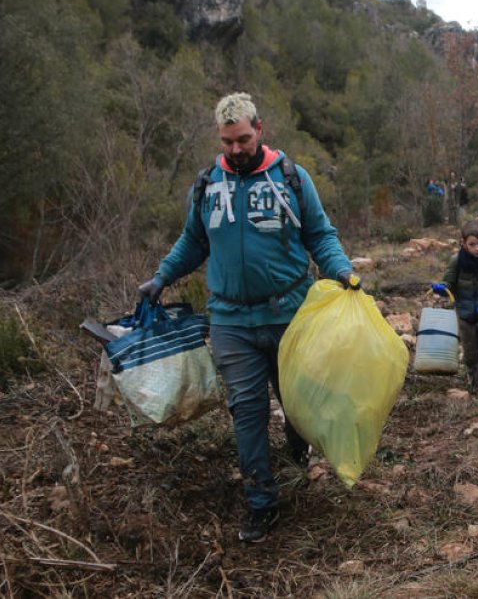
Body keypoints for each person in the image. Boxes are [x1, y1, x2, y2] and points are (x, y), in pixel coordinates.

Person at [137, 92, 357, 544]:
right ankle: (261, 502)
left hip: (288, 315)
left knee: (296, 402)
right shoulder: (207, 184)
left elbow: (320, 235)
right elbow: (193, 242)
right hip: (231, 321)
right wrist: (161, 278)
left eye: (242, 139)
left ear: (259, 129)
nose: (235, 149)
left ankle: (298, 454)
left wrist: (342, 270)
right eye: (227, 142)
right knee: (247, 411)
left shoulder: (292, 178)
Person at [431, 219, 478, 393]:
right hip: (465, 312)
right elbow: (449, 284)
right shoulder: (456, 261)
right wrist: (442, 288)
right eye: (472, 244)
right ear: (463, 243)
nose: (477, 248)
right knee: (470, 350)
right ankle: (475, 383)